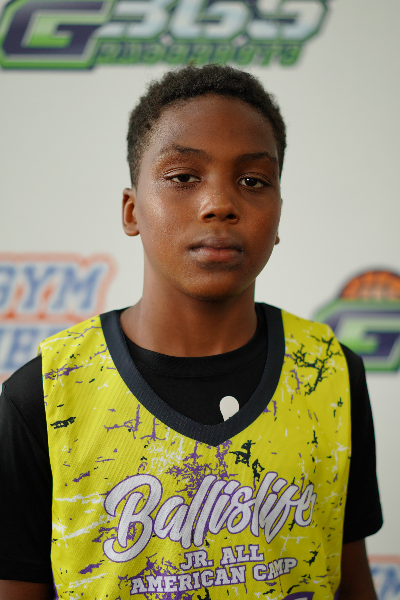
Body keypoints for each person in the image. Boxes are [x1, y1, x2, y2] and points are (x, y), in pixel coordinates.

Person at [0, 65, 382, 600]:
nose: (219, 203)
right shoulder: (44, 394)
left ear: (278, 213)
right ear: (132, 211)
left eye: (253, 181)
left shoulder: (329, 374)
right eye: (183, 177)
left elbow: (351, 581)